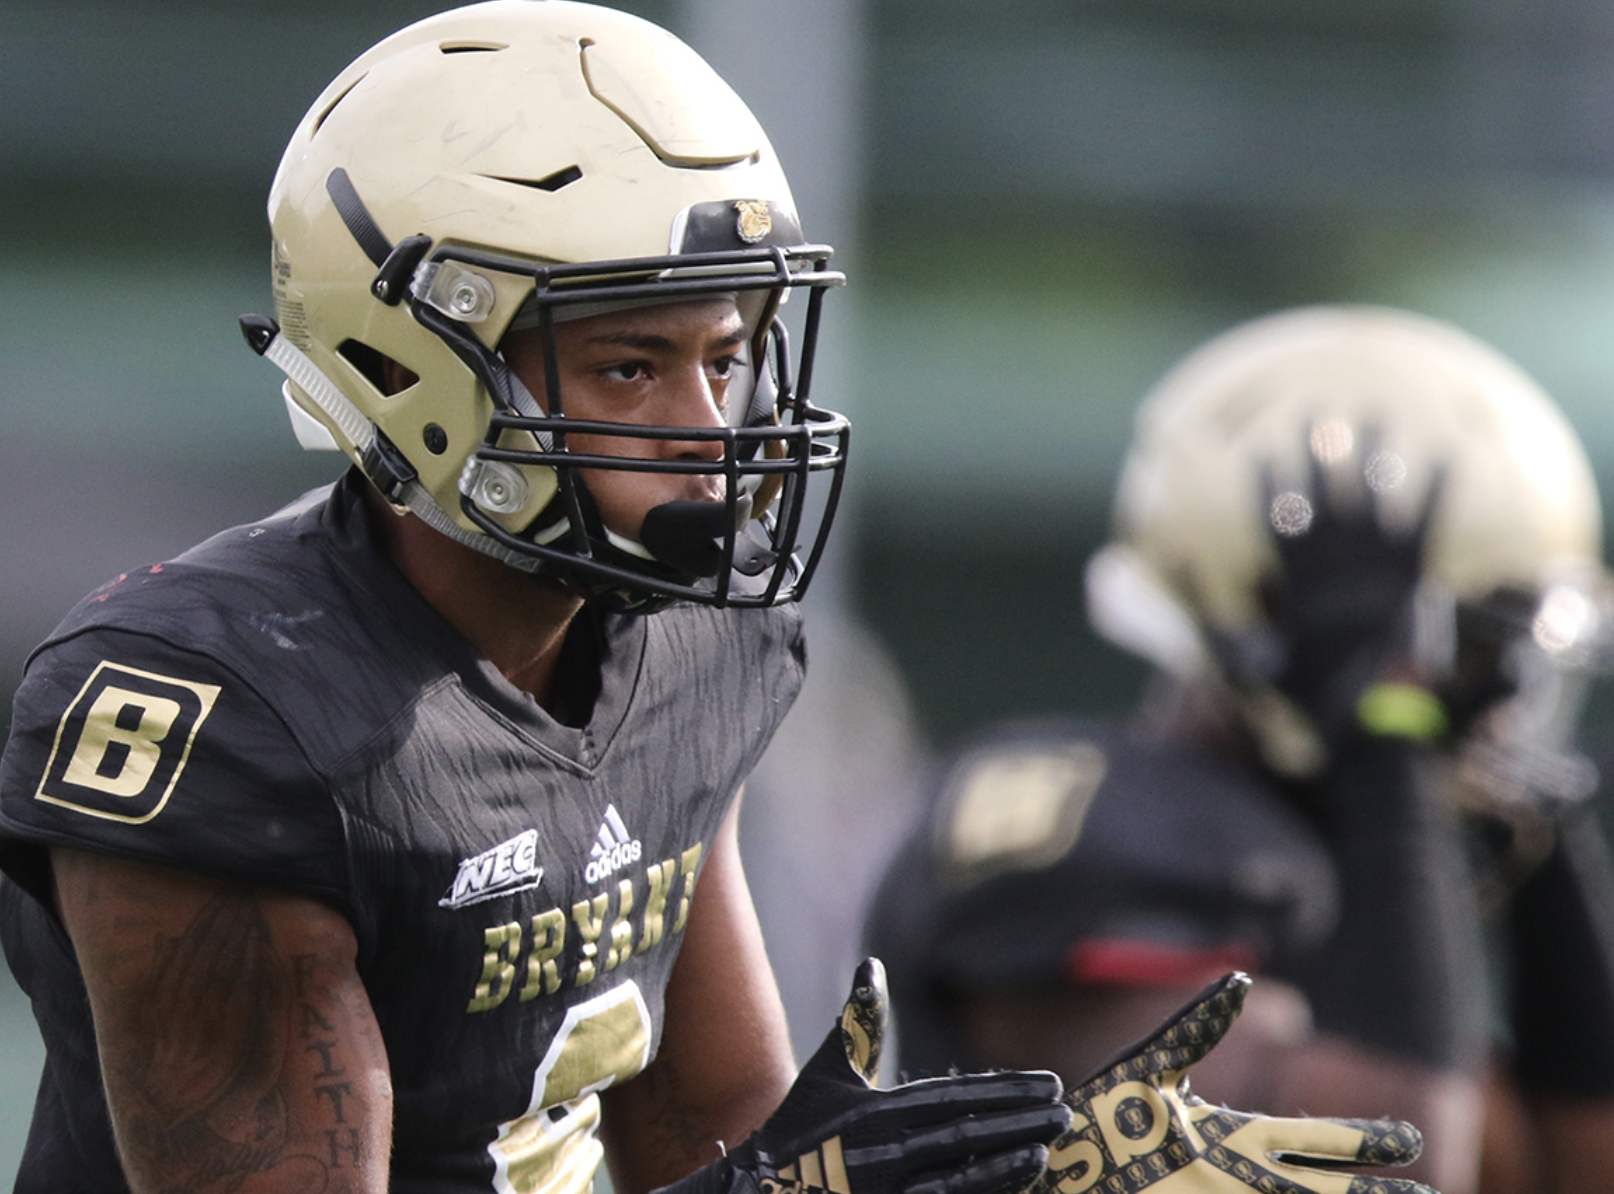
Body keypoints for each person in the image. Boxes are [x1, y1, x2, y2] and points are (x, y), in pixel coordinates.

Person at [0, 5, 1077, 1193]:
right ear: (403, 365)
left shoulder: (695, 637)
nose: (709, 438)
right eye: (630, 367)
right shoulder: (233, 713)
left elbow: (711, 1129)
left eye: (723, 359)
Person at [868, 305, 1614, 1194]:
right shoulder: (1107, 832)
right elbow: (1373, 1168)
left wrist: (1555, 893)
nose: (1505, 706)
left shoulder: (1347, 867)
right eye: (1486, 653)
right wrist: (1385, 753)